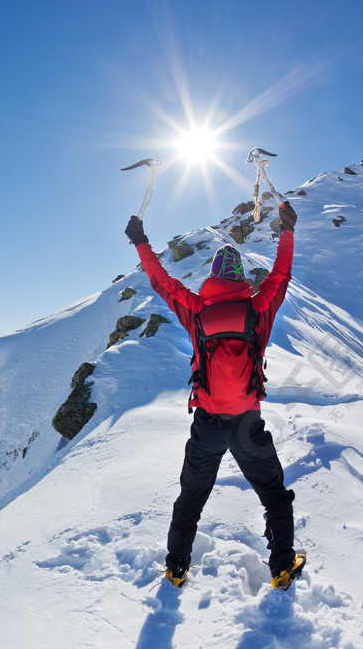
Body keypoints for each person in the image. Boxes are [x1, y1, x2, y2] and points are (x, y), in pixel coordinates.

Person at [124, 201, 305, 590]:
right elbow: (282, 274)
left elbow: (160, 281)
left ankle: (176, 567)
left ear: (213, 276)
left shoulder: (196, 309)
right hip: (247, 424)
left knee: (191, 497)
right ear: (241, 277)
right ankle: (283, 566)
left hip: (206, 424)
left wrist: (141, 242)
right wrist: (287, 232)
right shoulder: (259, 308)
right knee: (274, 495)